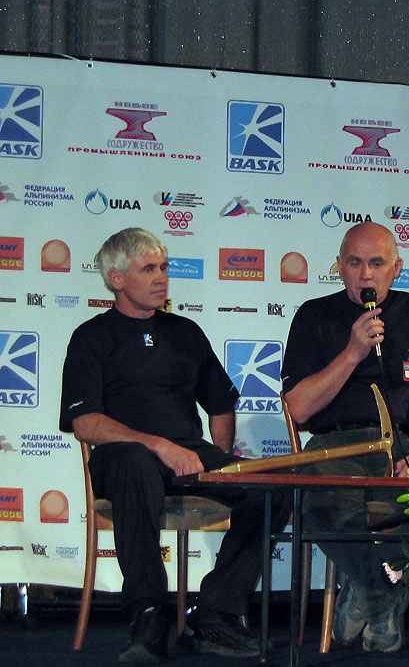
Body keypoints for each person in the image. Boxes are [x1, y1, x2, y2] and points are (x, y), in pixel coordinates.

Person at [60, 228, 288, 662]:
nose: (161, 277)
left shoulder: (185, 332)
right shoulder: (92, 336)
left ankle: (215, 613)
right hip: (122, 458)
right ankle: (148, 612)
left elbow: (220, 403)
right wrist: (159, 446)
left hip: (187, 455)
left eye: (164, 267)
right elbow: (85, 422)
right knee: (135, 462)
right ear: (116, 279)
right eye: (149, 269)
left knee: (271, 488)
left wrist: (222, 461)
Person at [281, 221, 409, 653]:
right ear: (339, 266)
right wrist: (352, 352)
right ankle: (383, 598)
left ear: (396, 267)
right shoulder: (314, 315)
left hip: (401, 445)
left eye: (377, 263)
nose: (366, 274)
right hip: (334, 446)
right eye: (355, 263)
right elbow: (298, 409)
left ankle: (363, 590)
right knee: (320, 506)